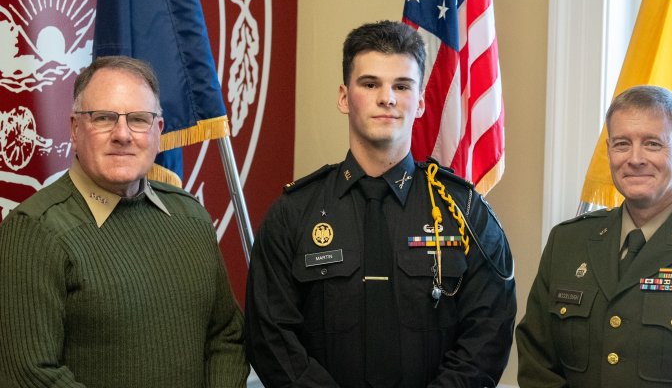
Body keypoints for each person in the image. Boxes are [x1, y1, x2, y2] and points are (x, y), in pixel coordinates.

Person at [244, 20, 516, 387]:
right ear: (344, 97)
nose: (386, 98)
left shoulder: (464, 210)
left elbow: (488, 331)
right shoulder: (294, 212)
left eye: (401, 86)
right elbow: (271, 338)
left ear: (420, 102)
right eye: (370, 83)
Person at [0, 56, 249, 387]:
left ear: (158, 131)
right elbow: (31, 373)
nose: (123, 134)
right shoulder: (34, 229)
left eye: (139, 119)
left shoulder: (191, 217)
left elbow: (227, 337)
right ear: (75, 129)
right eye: (103, 118)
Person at [516, 85, 672, 387]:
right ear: (608, 150)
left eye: (652, 144)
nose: (635, 159)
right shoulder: (568, 242)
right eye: (622, 144)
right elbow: (537, 365)